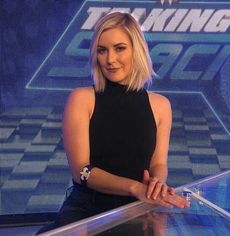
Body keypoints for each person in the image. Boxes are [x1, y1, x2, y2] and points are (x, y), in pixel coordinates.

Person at [37, 12, 189, 234]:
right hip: (87, 209)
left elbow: (158, 163)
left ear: (136, 50)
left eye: (119, 48)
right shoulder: (81, 98)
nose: (110, 59)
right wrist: (135, 187)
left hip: (139, 209)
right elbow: (82, 171)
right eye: (102, 50)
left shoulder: (161, 105)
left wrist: (156, 184)